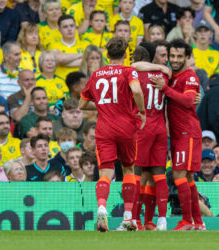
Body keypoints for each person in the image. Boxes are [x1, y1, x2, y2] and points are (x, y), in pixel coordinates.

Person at [79, 37, 146, 232]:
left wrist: (102, 104)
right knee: (128, 170)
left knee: (106, 173)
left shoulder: (96, 75)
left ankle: (101, 208)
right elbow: (136, 90)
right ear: (126, 54)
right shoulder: (128, 71)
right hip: (126, 128)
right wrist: (141, 111)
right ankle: (127, 217)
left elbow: (82, 104)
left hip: (105, 129)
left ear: (107, 55)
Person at [149, 39, 204, 230]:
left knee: (179, 174)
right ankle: (198, 222)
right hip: (178, 133)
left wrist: (164, 88)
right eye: (172, 55)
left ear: (187, 57)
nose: (175, 59)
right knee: (187, 178)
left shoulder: (189, 76)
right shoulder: (173, 76)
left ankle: (186, 220)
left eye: (179, 56)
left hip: (186, 133)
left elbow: (189, 101)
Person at [129, 45, 169, 231]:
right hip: (160, 127)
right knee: (158, 175)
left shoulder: (134, 74)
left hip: (142, 127)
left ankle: (135, 220)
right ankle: (159, 220)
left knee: (135, 175)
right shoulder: (165, 75)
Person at [48, 15, 88, 80]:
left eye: (72, 26)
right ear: (59, 30)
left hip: (81, 83)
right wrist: (81, 55)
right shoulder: (52, 45)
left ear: (75, 28)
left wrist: (64, 62)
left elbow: (87, 62)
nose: (69, 29)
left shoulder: (85, 45)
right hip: (60, 84)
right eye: (65, 27)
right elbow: (59, 59)